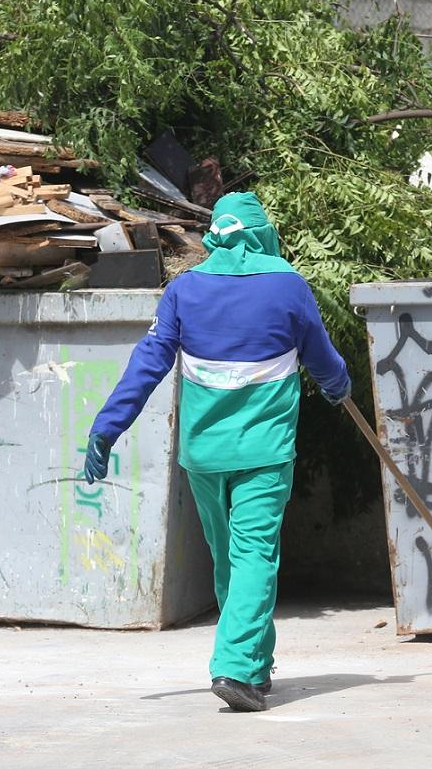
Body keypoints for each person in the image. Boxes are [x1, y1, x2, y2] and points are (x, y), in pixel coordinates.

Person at [83, 191, 351, 713]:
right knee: (253, 556)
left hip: (203, 455)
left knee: (231, 560)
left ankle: (253, 665)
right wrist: (338, 385)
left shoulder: (184, 291)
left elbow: (147, 365)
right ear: (260, 233)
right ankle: (234, 667)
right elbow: (322, 358)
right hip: (264, 450)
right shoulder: (289, 288)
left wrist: (106, 428)